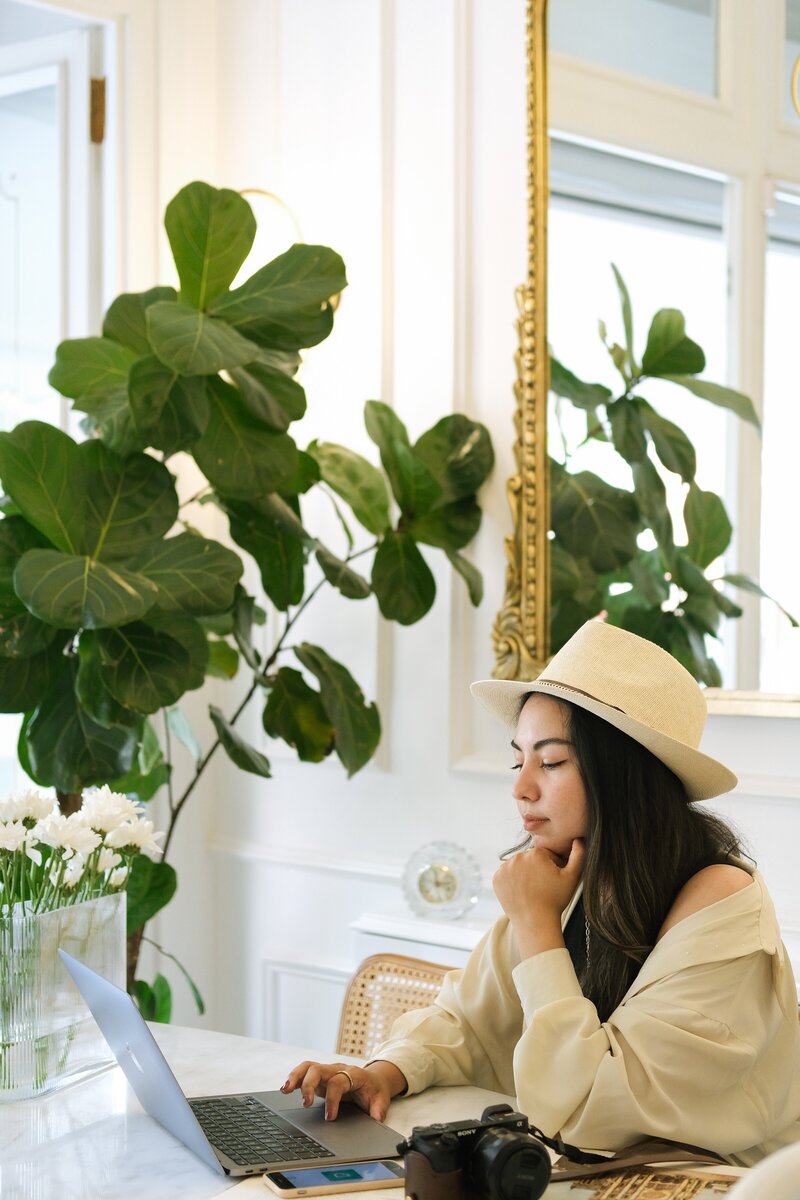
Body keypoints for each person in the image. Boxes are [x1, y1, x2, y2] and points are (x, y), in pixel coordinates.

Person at [282, 620, 800, 1165]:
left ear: (625, 775)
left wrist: (535, 922)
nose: (521, 786)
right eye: (518, 758)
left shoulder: (718, 899)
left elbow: (586, 1112)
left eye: (551, 761)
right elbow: (468, 1021)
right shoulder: (572, 875)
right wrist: (379, 1073)